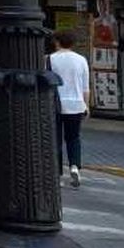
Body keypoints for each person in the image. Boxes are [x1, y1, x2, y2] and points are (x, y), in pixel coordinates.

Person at [51, 32, 90, 189]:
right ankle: (74, 166)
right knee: (73, 137)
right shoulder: (81, 60)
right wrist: (86, 105)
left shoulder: (49, 59)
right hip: (76, 104)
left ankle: (58, 173)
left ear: (57, 42)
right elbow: (86, 87)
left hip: (55, 104)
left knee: (56, 139)